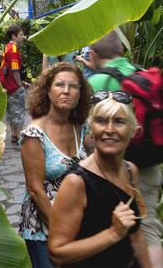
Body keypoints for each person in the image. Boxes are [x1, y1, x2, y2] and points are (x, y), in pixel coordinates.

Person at [48, 91, 151, 267]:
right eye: (101, 121)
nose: (109, 130)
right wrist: (113, 233)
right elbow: (58, 253)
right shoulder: (77, 182)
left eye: (119, 121)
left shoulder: (130, 171)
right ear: (91, 128)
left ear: (133, 130)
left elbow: (136, 234)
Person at [87, 30, 163, 267]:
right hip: (149, 164)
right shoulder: (141, 74)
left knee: (107, 224)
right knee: (149, 227)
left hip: (111, 169)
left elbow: (84, 132)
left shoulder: (97, 82)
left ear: (93, 54)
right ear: (121, 50)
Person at [18, 62, 92, 268]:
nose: (66, 91)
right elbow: (35, 190)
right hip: (44, 228)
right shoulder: (34, 134)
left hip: (76, 222)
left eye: (73, 86)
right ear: (48, 91)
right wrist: (63, 230)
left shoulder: (81, 127)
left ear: (81, 93)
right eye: (59, 85)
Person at [0, 24, 26, 143]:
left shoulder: (7, 47)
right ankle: (19, 135)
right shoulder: (13, 49)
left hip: (6, 85)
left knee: (10, 110)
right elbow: (15, 69)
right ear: (14, 36)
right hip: (13, 85)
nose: (23, 37)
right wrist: (20, 84)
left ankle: (14, 134)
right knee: (18, 110)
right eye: (20, 34)